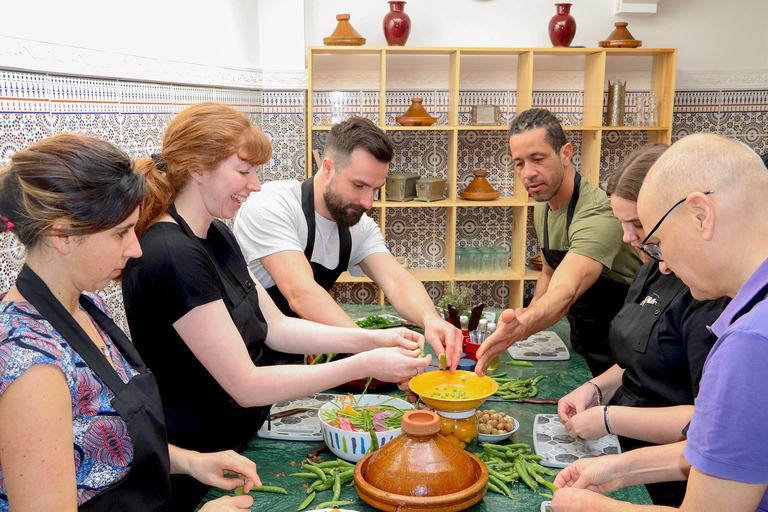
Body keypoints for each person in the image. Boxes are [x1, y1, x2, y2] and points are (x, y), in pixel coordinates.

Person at [121, 103, 431, 511]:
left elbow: (275, 324)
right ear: (198, 168)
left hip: (237, 441)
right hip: (199, 461)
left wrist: (372, 339)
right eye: (245, 171)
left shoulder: (215, 234)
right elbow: (246, 384)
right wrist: (364, 363)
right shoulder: (172, 255)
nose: (255, 185)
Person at [0, 134, 261, 512]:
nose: (136, 248)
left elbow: (101, 445)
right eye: (121, 232)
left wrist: (191, 461)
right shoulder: (31, 366)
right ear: (62, 235)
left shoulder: (85, 304)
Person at [551, 134, 768, 512]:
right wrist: (619, 470)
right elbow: (727, 455)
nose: (661, 262)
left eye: (658, 241)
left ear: (701, 215)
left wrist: (587, 507)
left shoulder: (750, 343)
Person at [233, 115, 462, 367]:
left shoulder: (358, 225)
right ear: (328, 167)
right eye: (359, 185)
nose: (368, 203)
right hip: (245, 357)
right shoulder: (272, 204)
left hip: (296, 358)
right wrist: (370, 347)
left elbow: (396, 280)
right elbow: (300, 293)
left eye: (376, 189)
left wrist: (431, 320)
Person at [476, 108, 643, 377]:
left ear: (566, 154)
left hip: (623, 344)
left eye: (537, 159)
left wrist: (522, 327)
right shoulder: (542, 204)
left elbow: (567, 290)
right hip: (583, 338)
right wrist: (526, 317)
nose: (528, 173)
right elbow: (550, 271)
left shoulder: (598, 213)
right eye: (519, 163)